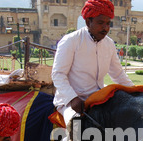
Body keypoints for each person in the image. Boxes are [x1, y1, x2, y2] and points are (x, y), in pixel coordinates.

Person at [51, 0, 134, 128]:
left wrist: (136, 93)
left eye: (108, 23)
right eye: (100, 23)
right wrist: (72, 98)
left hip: (98, 98)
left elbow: (118, 75)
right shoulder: (71, 41)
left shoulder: (109, 44)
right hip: (71, 101)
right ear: (88, 22)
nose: (105, 28)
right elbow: (58, 74)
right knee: (77, 127)